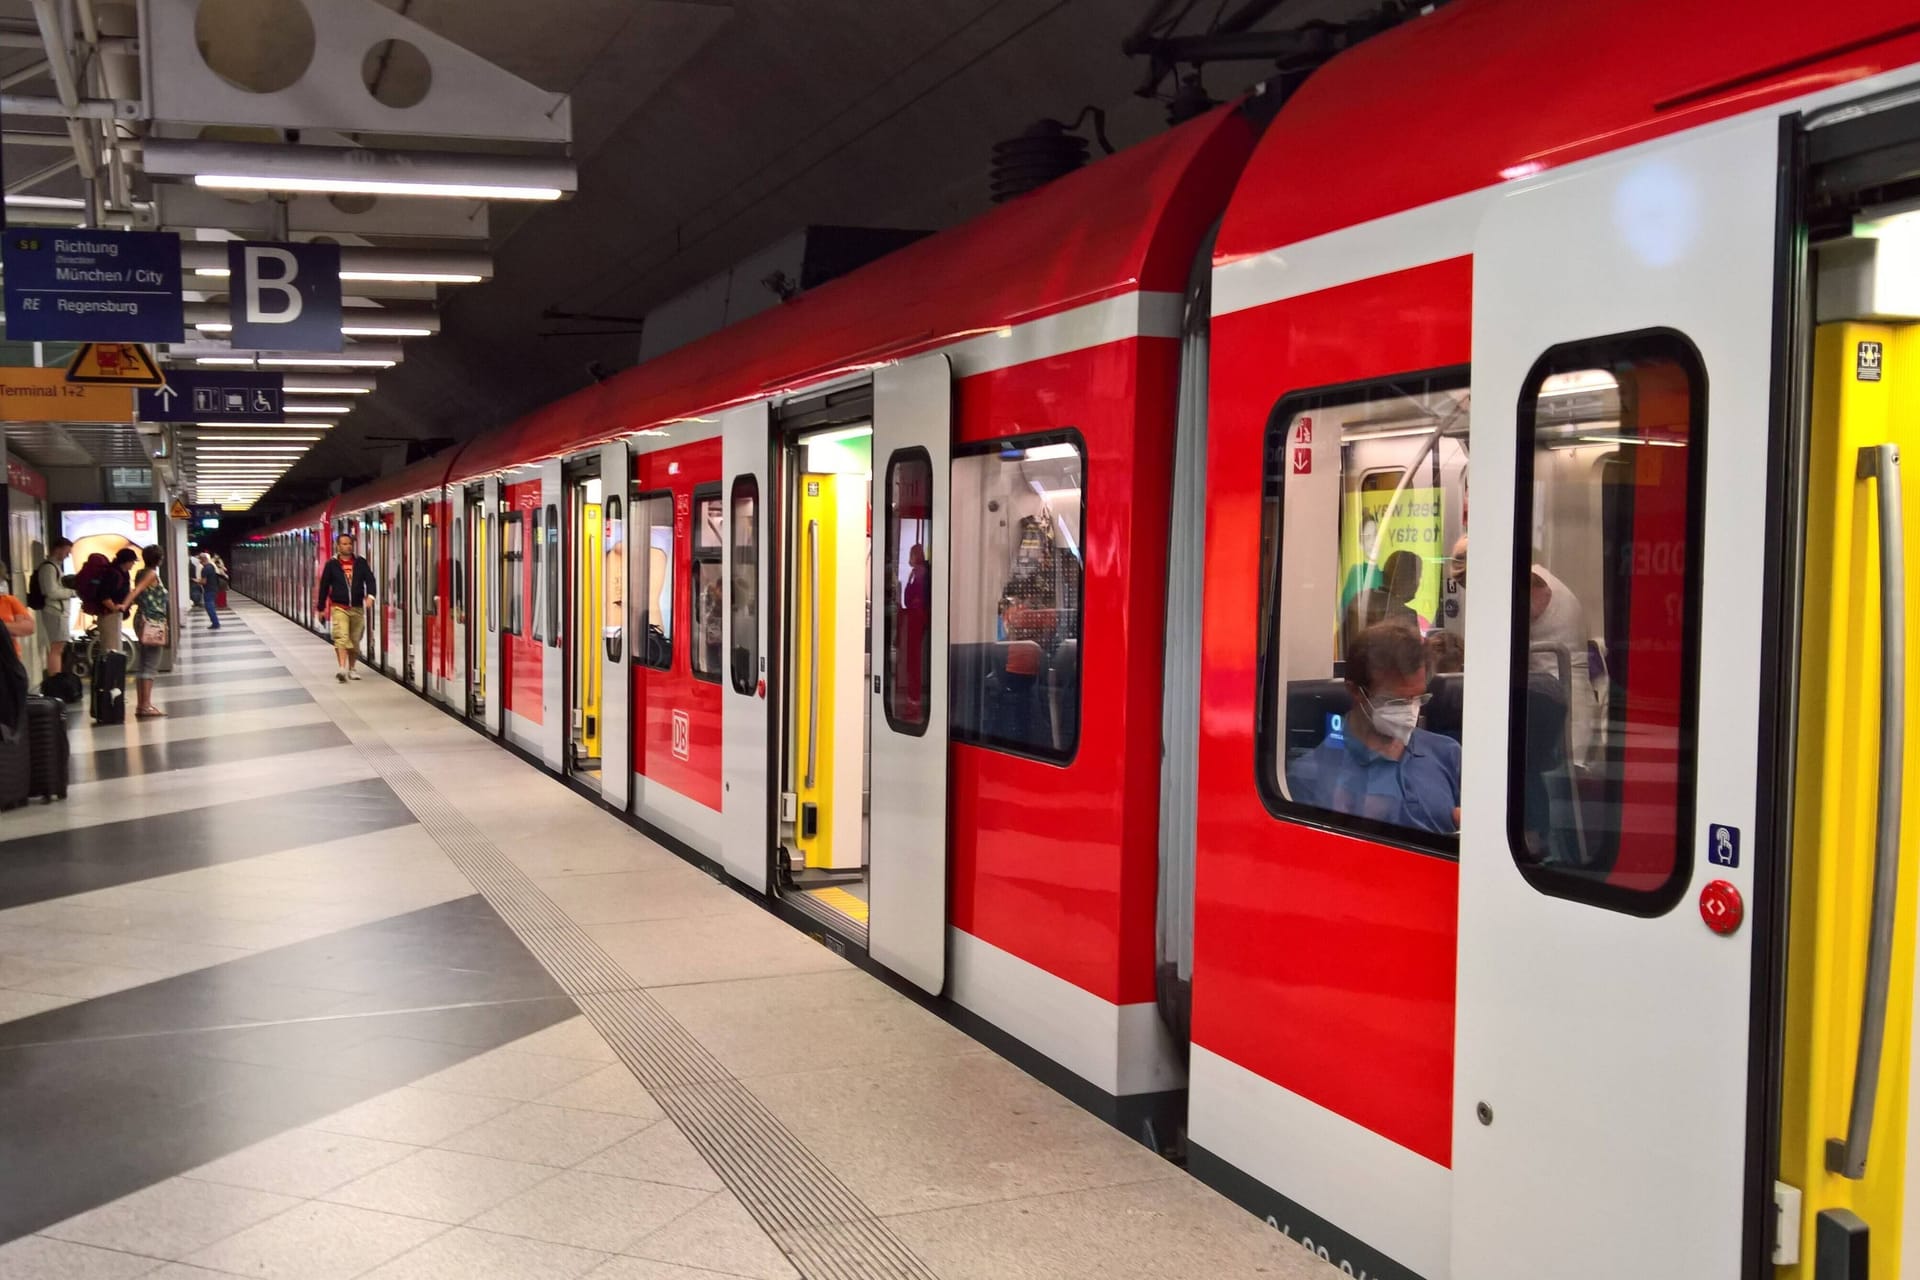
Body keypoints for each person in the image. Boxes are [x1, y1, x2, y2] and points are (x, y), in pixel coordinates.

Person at [1287, 621, 1462, 834]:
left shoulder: (1448, 754)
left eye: (1417, 699)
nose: (1410, 712)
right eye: (1396, 701)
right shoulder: (1312, 776)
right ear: (1355, 691)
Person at [1527, 561, 1597, 765]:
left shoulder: (1536, 590)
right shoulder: (1538, 576)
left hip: (1565, 702)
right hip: (1560, 695)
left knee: (1563, 779)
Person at [315, 532, 377, 683]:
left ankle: (352, 668)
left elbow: (370, 580)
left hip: (356, 607)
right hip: (339, 606)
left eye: (349, 543)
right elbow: (324, 586)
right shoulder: (332, 564)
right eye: (344, 544)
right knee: (341, 637)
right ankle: (342, 669)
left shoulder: (360, 562)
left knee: (355, 641)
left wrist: (371, 596)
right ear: (338, 546)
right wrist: (321, 608)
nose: (347, 546)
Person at [128, 543, 168, 718]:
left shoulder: (140, 573)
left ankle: (141, 705)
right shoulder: (151, 574)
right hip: (152, 623)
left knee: (144, 662)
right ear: (159, 559)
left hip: (142, 619)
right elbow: (137, 591)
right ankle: (146, 706)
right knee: (151, 664)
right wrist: (124, 604)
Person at [196, 553, 221, 630]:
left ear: (202, 559)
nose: (199, 561)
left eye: (200, 559)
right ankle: (215, 622)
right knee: (211, 606)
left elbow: (204, 582)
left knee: (209, 607)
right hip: (214, 589)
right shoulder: (211, 566)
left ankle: (215, 623)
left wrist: (197, 581)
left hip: (208, 590)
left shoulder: (205, 569)